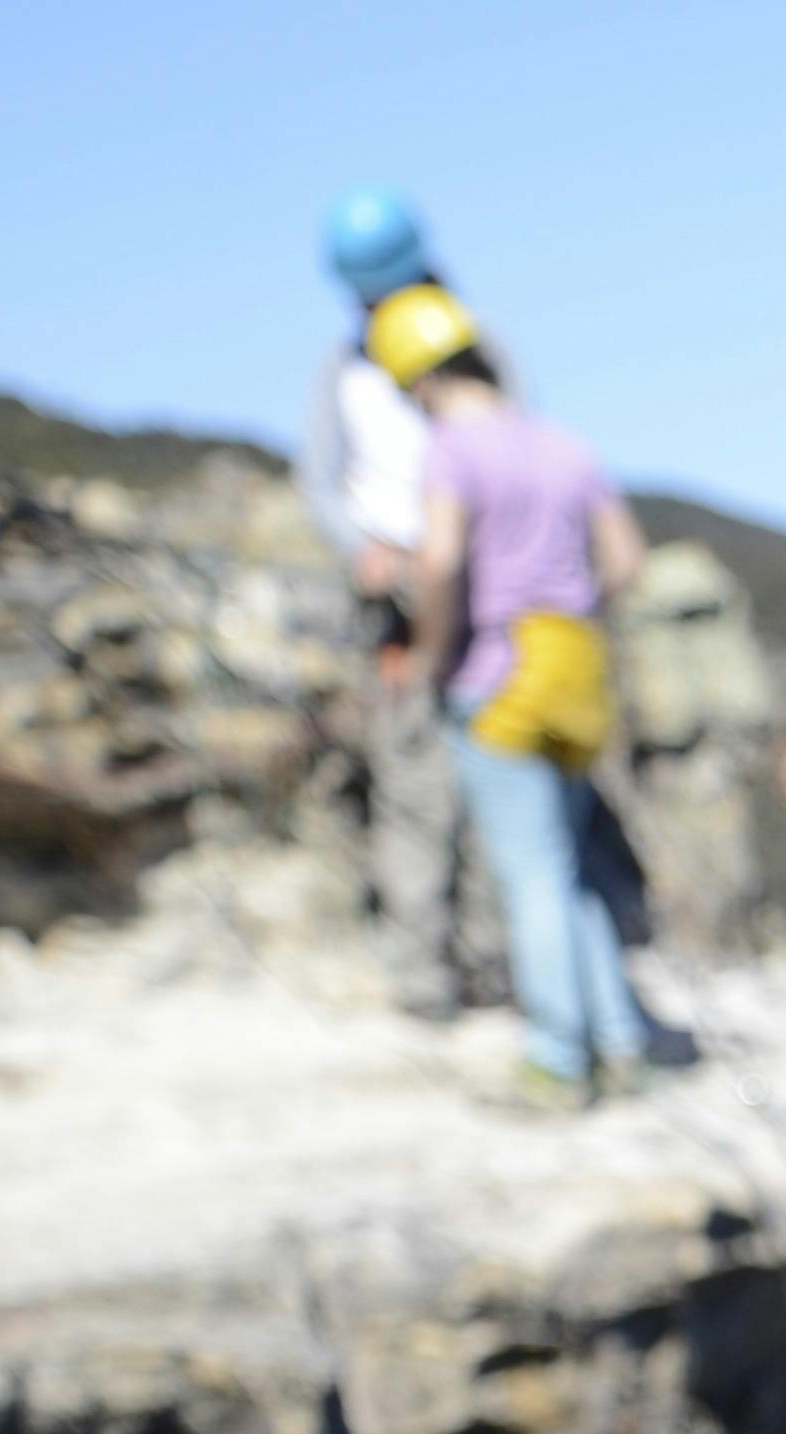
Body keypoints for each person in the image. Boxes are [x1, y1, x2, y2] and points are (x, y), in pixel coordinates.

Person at [371, 285, 655, 1109]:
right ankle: (623, 1044)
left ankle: (557, 1061)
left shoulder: (451, 450)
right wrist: (571, 607)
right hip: (573, 668)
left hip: (495, 674)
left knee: (529, 873)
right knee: (566, 869)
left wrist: (428, 655)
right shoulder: (563, 444)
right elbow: (627, 561)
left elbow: (442, 561)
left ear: (417, 381)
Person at [301, 188, 474, 1019]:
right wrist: (361, 548)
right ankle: (422, 969)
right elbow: (321, 480)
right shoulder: (341, 372)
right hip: (391, 598)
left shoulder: (480, 353)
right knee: (411, 780)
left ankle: (495, 956)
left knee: (495, 776)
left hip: (477, 587)